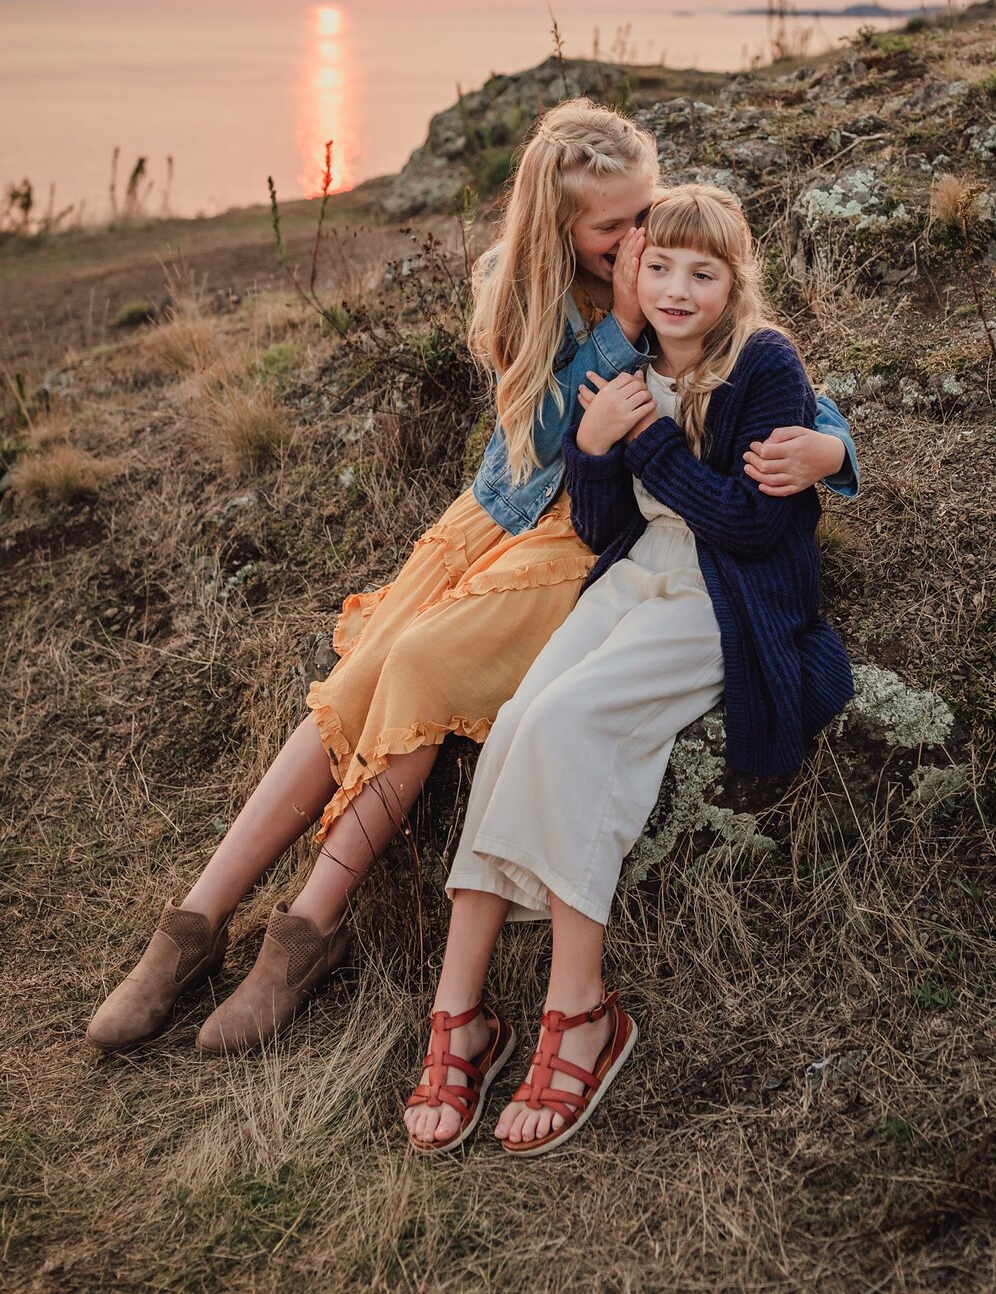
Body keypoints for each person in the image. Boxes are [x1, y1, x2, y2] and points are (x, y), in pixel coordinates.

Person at [88, 100, 857, 1054]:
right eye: (614, 228)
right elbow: (539, 437)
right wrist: (615, 323)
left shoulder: (669, 276)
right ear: (559, 227)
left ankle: (305, 931)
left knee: (418, 668)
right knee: (355, 680)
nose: (639, 240)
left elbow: (767, 368)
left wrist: (832, 449)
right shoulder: (520, 285)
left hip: (578, 536)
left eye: (643, 214)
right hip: (499, 517)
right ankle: (192, 929)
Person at [401, 183, 852, 1155]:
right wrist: (596, 455)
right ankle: (460, 1010)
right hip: (637, 573)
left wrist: (642, 436)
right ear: (633, 276)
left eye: (704, 270)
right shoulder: (627, 365)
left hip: (721, 596)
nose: (680, 288)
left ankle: (583, 1011)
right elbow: (605, 527)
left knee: (573, 726)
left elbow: (747, 522)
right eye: (662, 267)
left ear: (737, 282)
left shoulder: (765, 362)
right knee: (520, 719)